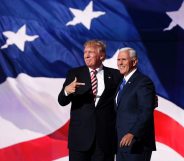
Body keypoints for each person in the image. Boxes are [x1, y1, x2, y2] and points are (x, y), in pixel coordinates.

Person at [58, 40, 122, 161]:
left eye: (90, 52)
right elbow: (62, 101)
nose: (86, 55)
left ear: (101, 55)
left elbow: (125, 98)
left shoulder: (115, 75)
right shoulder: (75, 74)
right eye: (85, 52)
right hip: (80, 139)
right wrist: (67, 91)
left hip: (105, 139)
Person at [115, 47, 156, 161]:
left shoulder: (143, 82)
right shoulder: (120, 82)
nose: (120, 63)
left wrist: (132, 133)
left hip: (137, 144)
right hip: (121, 144)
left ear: (134, 61)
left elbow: (146, 111)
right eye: (118, 60)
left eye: (124, 59)